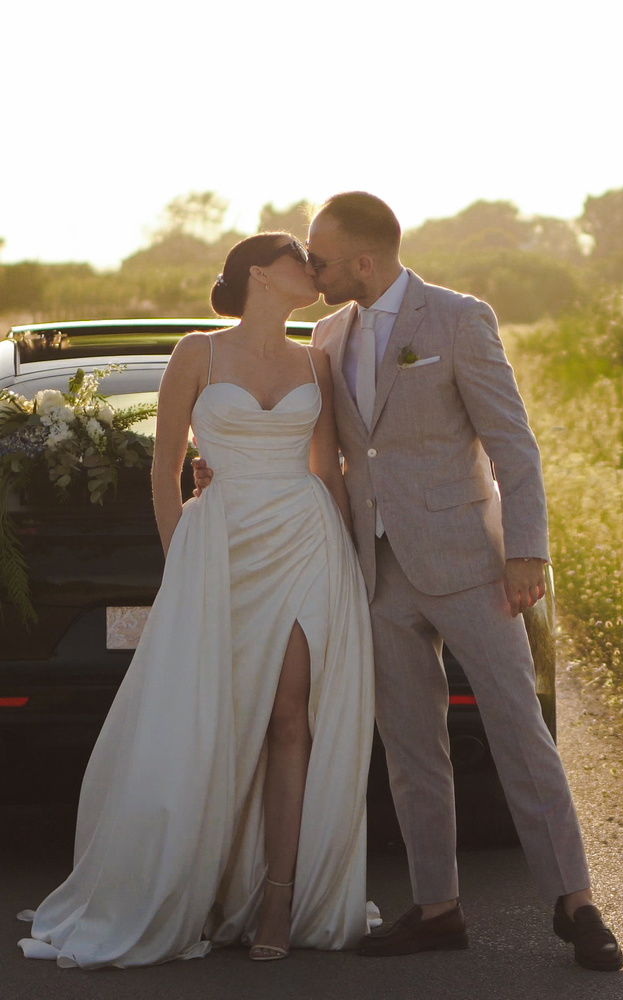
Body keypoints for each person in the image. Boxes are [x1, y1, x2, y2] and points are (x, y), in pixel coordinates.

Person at [194, 193, 623, 972]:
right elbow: (320, 450)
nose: (311, 269)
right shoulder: (326, 334)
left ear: (364, 259)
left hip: (470, 565)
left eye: (320, 258)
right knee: (410, 746)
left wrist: (526, 551)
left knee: (518, 730)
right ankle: (436, 907)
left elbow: (512, 444)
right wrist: (217, 467)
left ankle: (576, 902)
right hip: (376, 571)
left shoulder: (458, 319)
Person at [18, 232, 375, 968]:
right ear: (257, 274)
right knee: (209, 715)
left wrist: (354, 562)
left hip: (306, 541)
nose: (310, 269)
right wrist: (178, 545)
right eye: (296, 259)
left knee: (290, 718)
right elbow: (165, 463)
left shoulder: (316, 359)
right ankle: (200, 882)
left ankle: (277, 894)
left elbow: (328, 470)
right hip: (219, 547)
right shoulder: (196, 352)